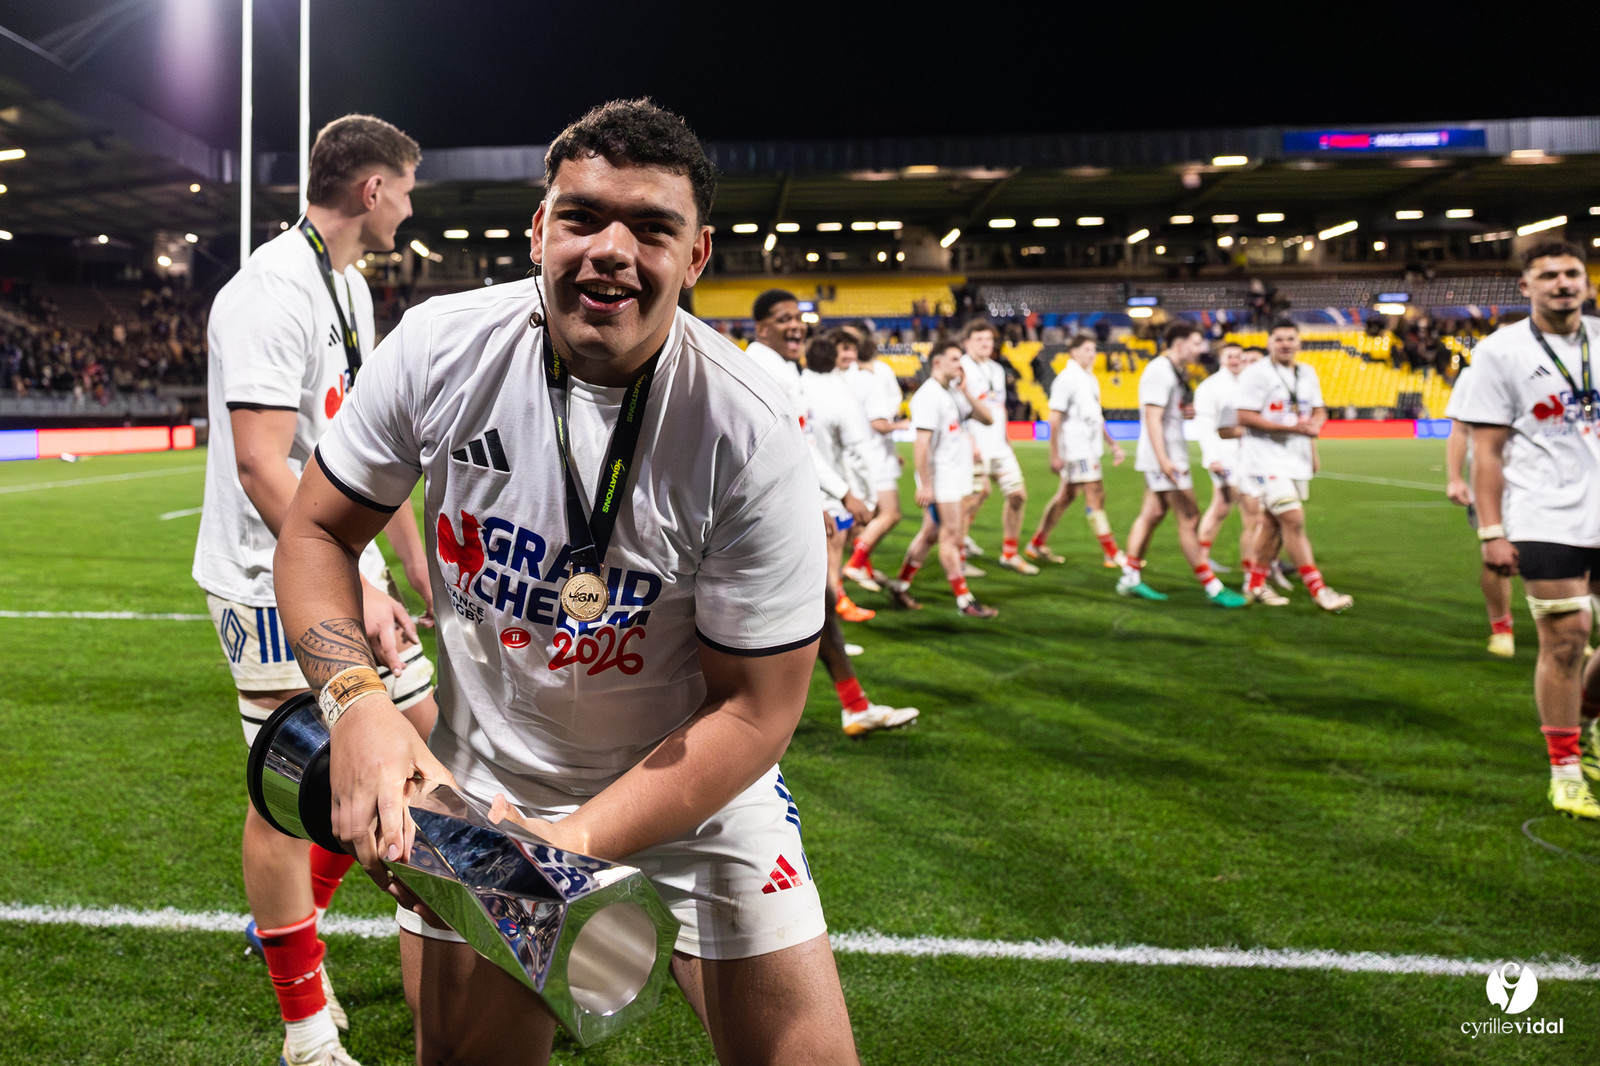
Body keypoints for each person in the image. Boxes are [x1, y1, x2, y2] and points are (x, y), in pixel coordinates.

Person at [275, 101, 864, 1065]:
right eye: (584, 217)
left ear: (698, 253)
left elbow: (757, 712)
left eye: (653, 228)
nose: (612, 251)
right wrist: (357, 706)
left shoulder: (748, 428)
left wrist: (574, 841)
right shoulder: (439, 346)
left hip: (696, 796)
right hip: (487, 788)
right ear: (540, 229)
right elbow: (314, 533)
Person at [192, 114, 437, 1066]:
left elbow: (366, 453)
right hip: (266, 576)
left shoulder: (347, 286)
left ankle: (294, 919)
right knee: (285, 797)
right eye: (407, 192)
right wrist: (348, 577)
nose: (410, 212)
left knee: (409, 735)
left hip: (340, 560)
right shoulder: (270, 291)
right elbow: (261, 466)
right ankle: (303, 1026)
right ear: (372, 190)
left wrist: (409, 565)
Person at [1454, 240, 1600, 820]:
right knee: (1568, 639)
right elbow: (1485, 451)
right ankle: (1565, 771)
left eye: (1572, 273)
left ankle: (1584, 724)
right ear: (1526, 286)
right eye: (1548, 276)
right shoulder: (1499, 352)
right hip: (1545, 513)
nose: (1563, 283)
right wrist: (1492, 530)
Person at [742, 290, 916, 735]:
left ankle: (852, 705)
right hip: (756, 514)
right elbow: (782, 446)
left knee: (814, 604)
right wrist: (839, 494)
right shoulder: (763, 368)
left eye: (798, 318)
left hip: (776, 507)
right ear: (761, 328)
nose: (795, 325)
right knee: (762, 612)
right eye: (783, 319)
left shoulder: (781, 367)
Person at [1115, 322, 1248, 607]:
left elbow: (1162, 415)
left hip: (1166, 456)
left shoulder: (1172, 371)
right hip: (1165, 459)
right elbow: (1151, 417)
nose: (1200, 349)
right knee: (1189, 518)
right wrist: (1164, 460)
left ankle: (1129, 576)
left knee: (1152, 513)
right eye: (1196, 342)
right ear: (1179, 342)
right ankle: (1212, 586)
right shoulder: (1160, 370)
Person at [1234, 319, 1353, 612]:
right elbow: (1244, 416)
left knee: (1273, 525)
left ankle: (1254, 584)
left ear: (1299, 343)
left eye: (1290, 339)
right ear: (1269, 343)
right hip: (1264, 460)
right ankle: (1319, 589)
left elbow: (1318, 409)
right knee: (1293, 519)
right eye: (1279, 339)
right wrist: (1289, 428)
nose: (1285, 344)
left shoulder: (1307, 373)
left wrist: (1316, 426)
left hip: (1295, 460)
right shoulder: (1256, 374)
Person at [887, 338, 1001, 617]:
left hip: (954, 475)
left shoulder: (953, 392)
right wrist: (925, 485)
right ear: (937, 362)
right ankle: (965, 601)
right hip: (942, 480)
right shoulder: (928, 396)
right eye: (954, 359)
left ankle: (900, 585)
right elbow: (921, 444)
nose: (959, 364)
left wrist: (967, 392)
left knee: (930, 535)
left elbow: (988, 419)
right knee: (951, 537)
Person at [1025, 332, 1127, 566]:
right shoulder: (1068, 379)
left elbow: (1095, 417)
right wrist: (1055, 453)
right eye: (1087, 349)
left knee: (1066, 496)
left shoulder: (1088, 378)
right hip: (1077, 450)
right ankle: (1111, 553)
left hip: (1086, 448)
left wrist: (1112, 444)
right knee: (1095, 495)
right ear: (1074, 352)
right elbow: (1054, 418)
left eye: (1094, 349)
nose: (1092, 354)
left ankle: (1037, 544)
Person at [801, 333, 878, 624]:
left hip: (809, 485)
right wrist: (863, 495)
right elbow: (857, 451)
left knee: (824, 551)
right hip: (831, 489)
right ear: (833, 359)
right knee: (833, 549)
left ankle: (835, 601)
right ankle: (835, 607)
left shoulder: (799, 385)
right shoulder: (836, 395)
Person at [958, 319, 1038, 574]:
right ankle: (958, 554)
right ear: (967, 342)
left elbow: (999, 406)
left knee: (1017, 495)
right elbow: (957, 411)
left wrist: (1006, 438)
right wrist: (969, 443)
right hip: (973, 446)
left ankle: (1010, 553)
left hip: (998, 446)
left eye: (989, 340)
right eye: (979, 339)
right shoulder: (960, 369)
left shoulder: (997, 369)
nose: (985, 344)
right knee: (973, 499)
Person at [1444, 375, 1515, 657]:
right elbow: (1460, 428)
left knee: (1564, 552)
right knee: (1495, 551)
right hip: (1493, 477)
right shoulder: (1483, 367)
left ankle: (1568, 625)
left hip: (1554, 481)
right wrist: (1454, 477)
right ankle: (1501, 627)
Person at [840, 326, 909, 591]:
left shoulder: (846, 379)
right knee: (890, 514)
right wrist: (901, 426)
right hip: (874, 458)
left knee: (865, 518)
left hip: (857, 457)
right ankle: (855, 563)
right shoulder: (873, 379)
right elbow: (879, 423)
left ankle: (859, 568)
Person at [1193, 340, 1248, 575]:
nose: (1235, 360)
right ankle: (1201, 558)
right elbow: (1204, 426)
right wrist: (1212, 458)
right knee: (1225, 506)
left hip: (1243, 456)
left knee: (1224, 507)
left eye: (1239, 356)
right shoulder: (1211, 387)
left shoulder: (1246, 384)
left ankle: (1202, 557)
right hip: (1224, 456)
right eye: (1230, 356)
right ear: (1221, 359)